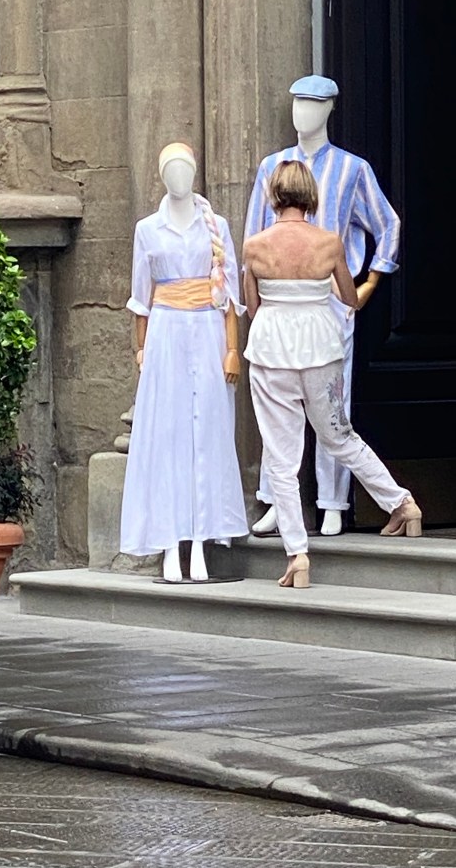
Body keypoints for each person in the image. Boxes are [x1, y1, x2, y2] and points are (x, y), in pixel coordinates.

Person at [243, 159, 421, 589]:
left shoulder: (255, 246)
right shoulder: (329, 243)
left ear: (274, 195)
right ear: (311, 195)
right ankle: (402, 503)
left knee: (281, 457)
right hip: (320, 347)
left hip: (271, 350)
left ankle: (297, 554)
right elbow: (349, 297)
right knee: (340, 436)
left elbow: (252, 307)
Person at [245, 76, 400, 537]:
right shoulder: (271, 166)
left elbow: (386, 223)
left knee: (333, 408)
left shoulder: (352, 169)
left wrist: (371, 280)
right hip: (280, 303)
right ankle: (277, 499)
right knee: (279, 412)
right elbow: (254, 233)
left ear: (330, 108)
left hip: (329, 301)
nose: (302, 112)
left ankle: (333, 500)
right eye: (297, 103)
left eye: (313, 104)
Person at [120, 142, 249, 582]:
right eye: (171, 170)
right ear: (161, 176)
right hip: (167, 333)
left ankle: (201, 541)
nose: (179, 177)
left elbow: (228, 294)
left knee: (208, 431)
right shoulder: (147, 229)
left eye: (185, 169)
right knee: (167, 433)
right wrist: (141, 349)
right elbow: (141, 297)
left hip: (207, 330)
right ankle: (170, 543)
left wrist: (231, 349)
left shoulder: (217, 226)